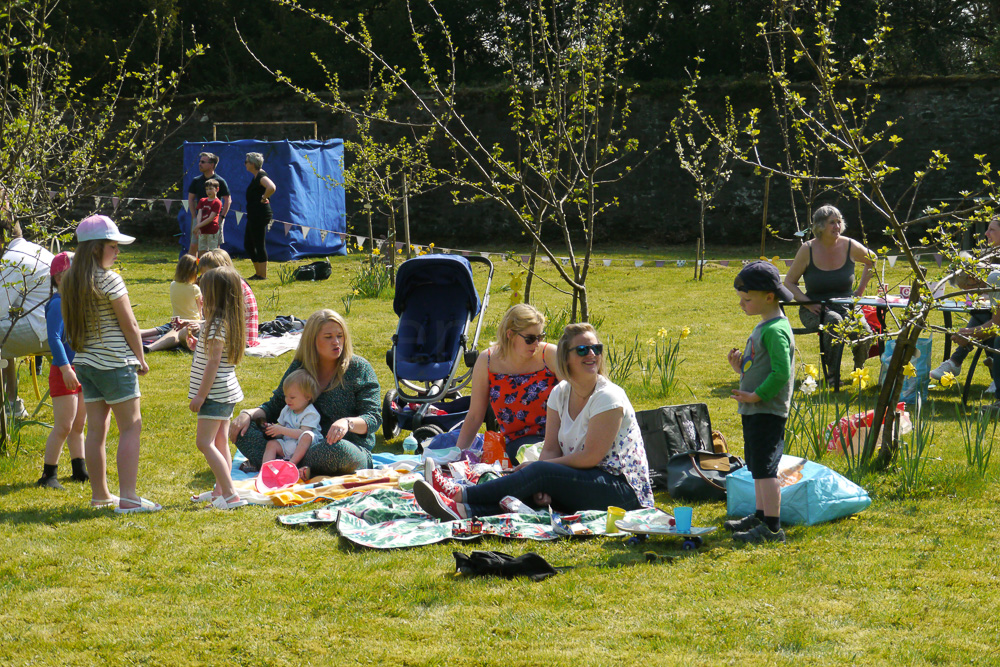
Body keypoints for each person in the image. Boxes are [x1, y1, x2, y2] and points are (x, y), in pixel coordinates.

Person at [414, 322, 654, 520]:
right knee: (527, 487)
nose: (592, 354)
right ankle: (464, 511)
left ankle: (461, 494)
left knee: (537, 472)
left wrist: (542, 472)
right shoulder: (560, 393)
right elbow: (550, 448)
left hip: (623, 490)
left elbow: (590, 457)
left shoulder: (608, 397)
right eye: (583, 350)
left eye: (596, 348)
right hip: (583, 479)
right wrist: (541, 484)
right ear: (566, 357)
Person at [62, 215, 160, 513]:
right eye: (113, 246)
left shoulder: (70, 281)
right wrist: (140, 358)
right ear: (95, 249)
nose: (117, 252)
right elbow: (129, 323)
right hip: (115, 363)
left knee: (95, 430)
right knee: (131, 427)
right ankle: (129, 498)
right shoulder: (109, 279)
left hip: (86, 363)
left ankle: (100, 495)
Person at [229, 309, 381, 476]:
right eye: (328, 337)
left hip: (342, 447)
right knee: (242, 430)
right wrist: (247, 414)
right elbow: (277, 404)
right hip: (296, 445)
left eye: (340, 335)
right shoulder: (300, 367)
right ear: (312, 340)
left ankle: (280, 466)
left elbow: (373, 418)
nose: (336, 342)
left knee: (338, 450)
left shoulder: (359, 368)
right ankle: (298, 469)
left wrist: (347, 423)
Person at [726, 260, 796, 544]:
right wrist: (739, 367)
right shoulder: (765, 325)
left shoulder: (776, 330)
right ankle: (759, 514)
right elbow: (762, 365)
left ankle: (772, 528)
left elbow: (782, 372)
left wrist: (757, 395)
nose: (742, 304)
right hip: (755, 408)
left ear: (769, 297)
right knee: (756, 465)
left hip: (767, 409)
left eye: (746, 299)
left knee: (766, 469)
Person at [452, 304, 561, 463]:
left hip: (558, 438)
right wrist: (458, 456)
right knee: (525, 457)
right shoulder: (487, 361)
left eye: (540, 337)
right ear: (510, 334)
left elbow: (576, 397)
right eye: (530, 339)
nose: (536, 344)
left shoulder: (549, 355)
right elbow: (475, 415)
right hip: (518, 442)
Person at [783, 204, 876, 374]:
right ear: (820, 226)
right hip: (815, 308)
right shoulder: (807, 249)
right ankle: (832, 375)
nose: (837, 226)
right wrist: (807, 303)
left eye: (839, 221)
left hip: (847, 305)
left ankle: (858, 370)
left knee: (864, 330)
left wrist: (859, 292)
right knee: (833, 321)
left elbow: (872, 259)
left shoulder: (849, 245)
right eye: (832, 222)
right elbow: (789, 282)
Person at [187, 266, 248, 509]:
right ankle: (219, 491)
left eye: (204, 292)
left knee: (204, 443)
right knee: (221, 441)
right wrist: (197, 347)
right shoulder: (224, 322)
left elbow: (213, 363)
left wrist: (201, 396)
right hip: (226, 392)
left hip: (215, 394)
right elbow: (214, 356)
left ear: (215, 296)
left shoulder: (215, 326)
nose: (200, 297)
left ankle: (231, 495)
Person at [36, 251, 88, 489]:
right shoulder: (57, 304)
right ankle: (49, 475)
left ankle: (80, 470)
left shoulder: (77, 302)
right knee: (64, 426)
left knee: (79, 425)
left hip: (81, 369)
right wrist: (66, 369)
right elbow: (54, 338)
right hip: (64, 371)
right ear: (59, 278)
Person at [932, 218, 1000, 384]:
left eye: (991, 229)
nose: (986, 234)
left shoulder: (994, 271)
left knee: (984, 318)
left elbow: (997, 325)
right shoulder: (993, 257)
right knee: (981, 314)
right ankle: (961, 362)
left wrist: (969, 334)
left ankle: (956, 361)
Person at [0, 216, 54, 419]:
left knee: (3, 332)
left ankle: (11, 405)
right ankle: (11, 404)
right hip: (55, 327)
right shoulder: (33, 249)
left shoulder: (12, 259)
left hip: (42, 331)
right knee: (5, 331)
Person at [261, 369, 322, 480]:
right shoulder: (287, 409)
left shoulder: (311, 413)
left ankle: (290, 465)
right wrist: (272, 430)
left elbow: (302, 434)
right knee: (271, 444)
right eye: (286, 396)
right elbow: (280, 429)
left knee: (307, 435)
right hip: (289, 444)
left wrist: (281, 430)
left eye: (292, 397)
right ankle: (265, 471)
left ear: (308, 397)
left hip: (307, 449)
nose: (287, 400)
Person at [140, 254, 202, 353]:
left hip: (175, 320)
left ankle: (132, 334)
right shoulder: (194, 289)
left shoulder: (173, 284)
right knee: (166, 334)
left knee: (158, 330)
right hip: (190, 321)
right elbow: (200, 309)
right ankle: (148, 345)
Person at [197, 249, 259, 348]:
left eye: (207, 275)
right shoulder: (235, 283)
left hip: (235, 341)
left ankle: (162, 344)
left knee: (181, 333)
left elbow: (217, 320)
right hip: (238, 337)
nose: (204, 278)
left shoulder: (227, 287)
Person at [187, 152, 231, 255]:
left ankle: (215, 269)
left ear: (211, 164)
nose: (199, 164)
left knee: (215, 247)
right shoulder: (196, 181)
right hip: (199, 218)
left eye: (203, 162)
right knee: (194, 244)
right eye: (199, 161)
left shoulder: (220, 181)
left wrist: (222, 217)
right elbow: (190, 199)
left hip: (215, 219)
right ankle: (192, 269)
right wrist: (194, 217)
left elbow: (228, 199)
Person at [244, 152, 276, 281]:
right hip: (253, 214)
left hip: (260, 214)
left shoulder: (261, 175)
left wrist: (264, 197)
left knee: (258, 243)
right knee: (248, 244)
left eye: (246, 162)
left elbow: (272, 187)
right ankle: (258, 273)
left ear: (252, 164)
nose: (245, 164)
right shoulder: (256, 176)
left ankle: (263, 275)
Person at [192, 179, 223, 256]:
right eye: (206, 189)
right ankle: (203, 266)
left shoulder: (217, 202)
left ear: (217, 189)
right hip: (202, 230)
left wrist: (198, 226)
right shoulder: (202, 200)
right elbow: (199, 214)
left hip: (212, 230)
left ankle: (214, 266)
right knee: (201, 250)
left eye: (210, 189)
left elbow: (210, 218)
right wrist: (199, 227)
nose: (208, 191)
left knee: (213, 252)